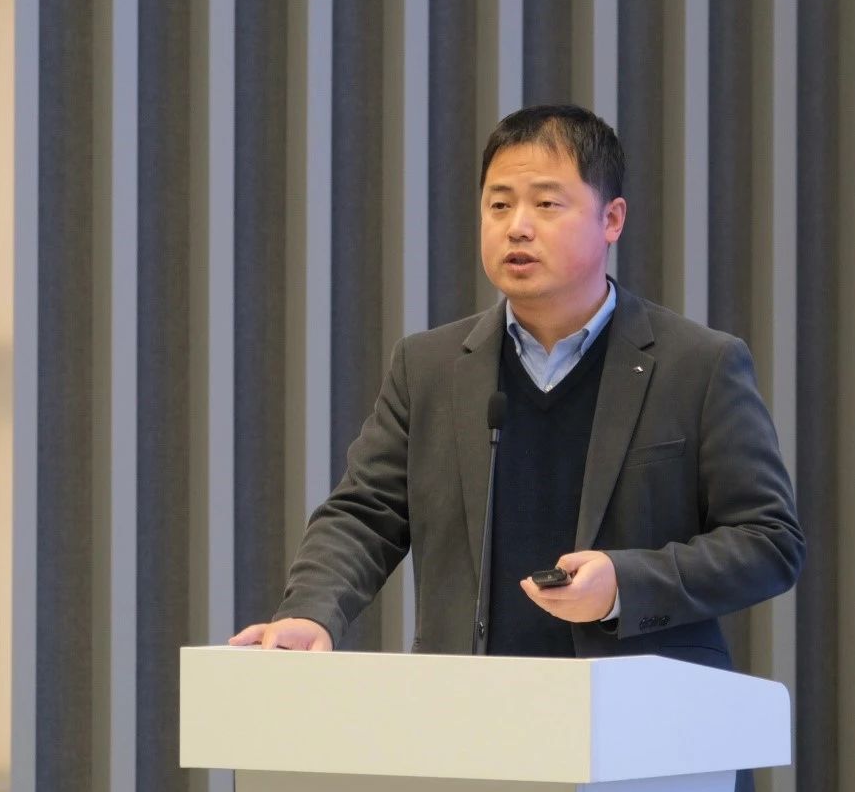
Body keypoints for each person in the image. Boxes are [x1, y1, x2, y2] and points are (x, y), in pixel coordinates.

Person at [230, 104, 804, 672]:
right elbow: (363, 515)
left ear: (611, 219)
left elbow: (767, 540)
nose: (517, 226)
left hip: (642, 710)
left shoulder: (698, 365)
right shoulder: (428, 367)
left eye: (547, 204)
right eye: (499, 204)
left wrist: (624, 586)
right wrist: (310, 613)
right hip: (470, 709)